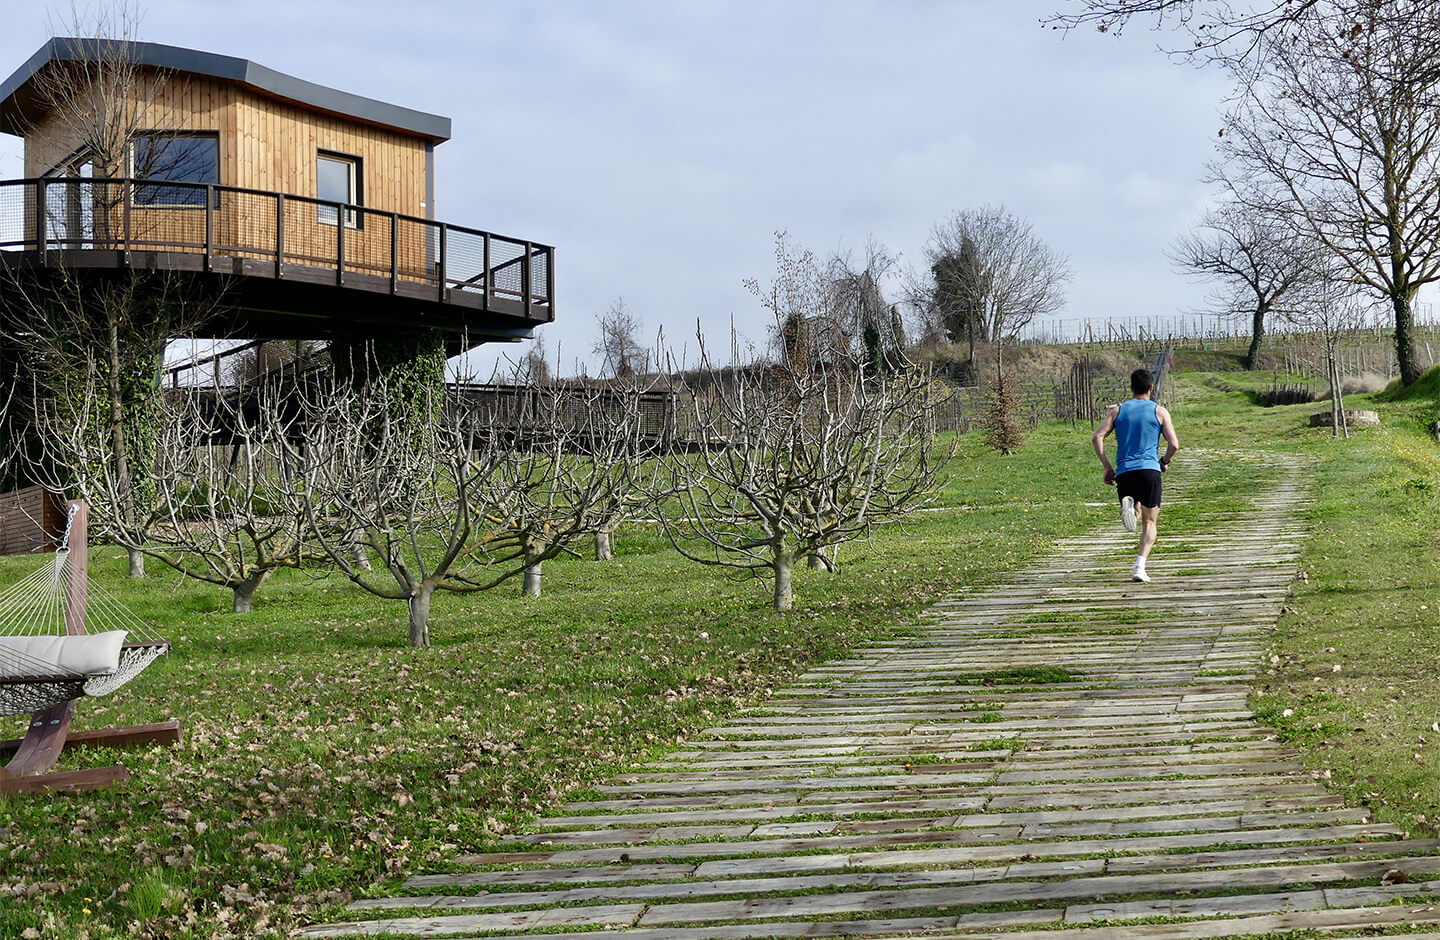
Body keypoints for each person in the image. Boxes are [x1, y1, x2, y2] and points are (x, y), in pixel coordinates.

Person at [1092, 368, 1180, 583]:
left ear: (1131, 388)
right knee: (1150, 523)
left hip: (1124, 472)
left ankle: (1131, 505)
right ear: (1151, 388)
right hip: (1149, 470)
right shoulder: (1160, 411)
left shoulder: (1118, 411)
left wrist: (1107, 466)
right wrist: (1164, 462)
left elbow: (1097, 437)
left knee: (1134, 504)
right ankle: (1140, 566)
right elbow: (1174, 445)